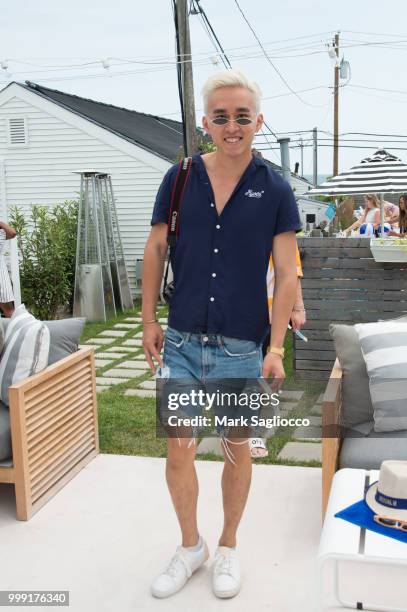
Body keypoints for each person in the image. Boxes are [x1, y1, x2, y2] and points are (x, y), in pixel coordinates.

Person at [142, 69, 301, 600]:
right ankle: (191, 547)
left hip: (240, 349)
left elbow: (286, 270)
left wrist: (275, 349)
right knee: (179, 451)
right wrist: (147, 321)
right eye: (220, 116)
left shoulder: (275, 188)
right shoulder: (180, 176)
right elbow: (155, 250)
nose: (231, 126)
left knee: (236, 450)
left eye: (241, 116)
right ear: (204, 121)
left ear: (258, 121)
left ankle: (228, 546)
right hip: (183, 345)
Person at [250, 247, 306, 458]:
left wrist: (298, 306)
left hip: (272, 312)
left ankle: (253, 432)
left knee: (260, 372)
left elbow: (293, 268)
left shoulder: (278, 221)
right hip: (236, 313)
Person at [0, 220, 16, 318]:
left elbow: (12, 233)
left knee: (9, 311)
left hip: (1, 277)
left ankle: (15, 331)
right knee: (9, 310)